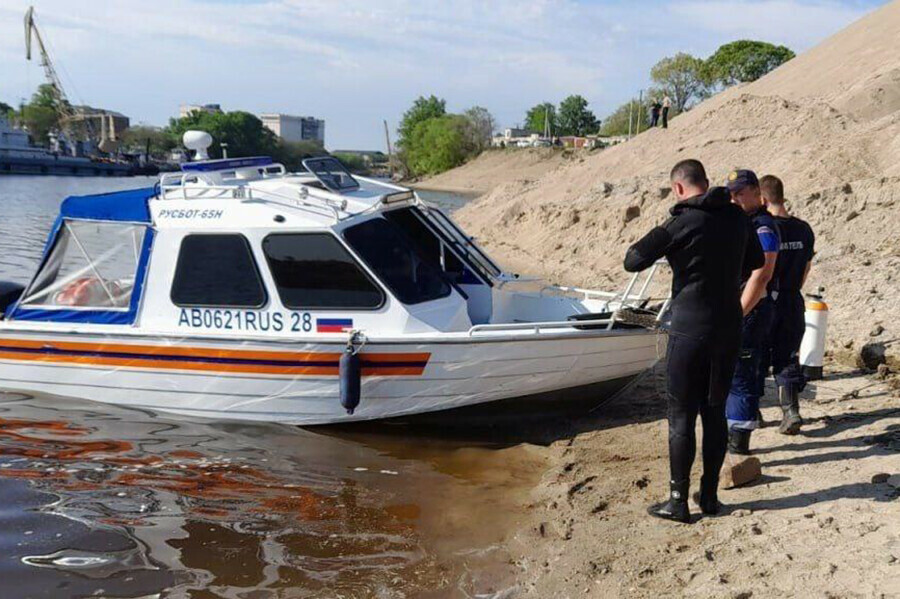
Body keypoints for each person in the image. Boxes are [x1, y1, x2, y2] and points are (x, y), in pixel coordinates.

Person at [624, 160, 763, 523]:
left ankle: (678, 501)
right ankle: (711, 497)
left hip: (690, 328)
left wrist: (671, 237)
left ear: (679, 188)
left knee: (681, 415)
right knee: (714, 411)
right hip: (728, 326)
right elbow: (756, 261)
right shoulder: (737, 218)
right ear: (705, 181)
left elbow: (633, 260)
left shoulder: (681, 221)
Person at [726, 169, 780, 455]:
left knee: (740, 373)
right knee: (748, 370)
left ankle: (738, 441)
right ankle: (745, 422)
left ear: (756, 191)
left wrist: (738, 312)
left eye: (740, 193)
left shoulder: (762, 227)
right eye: (731, 193)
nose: (735, 198)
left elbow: (762, 276)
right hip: (749, 308)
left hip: (752, 309)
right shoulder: (746, 222)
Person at [760, 175, 815, 434]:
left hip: (767, 298)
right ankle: (791, 411)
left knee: (755, 356)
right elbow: (806, 268)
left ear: (762, 198)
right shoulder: (804, 229)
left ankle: (750, 412)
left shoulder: (763, 228)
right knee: (788, 354)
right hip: (793, 297)